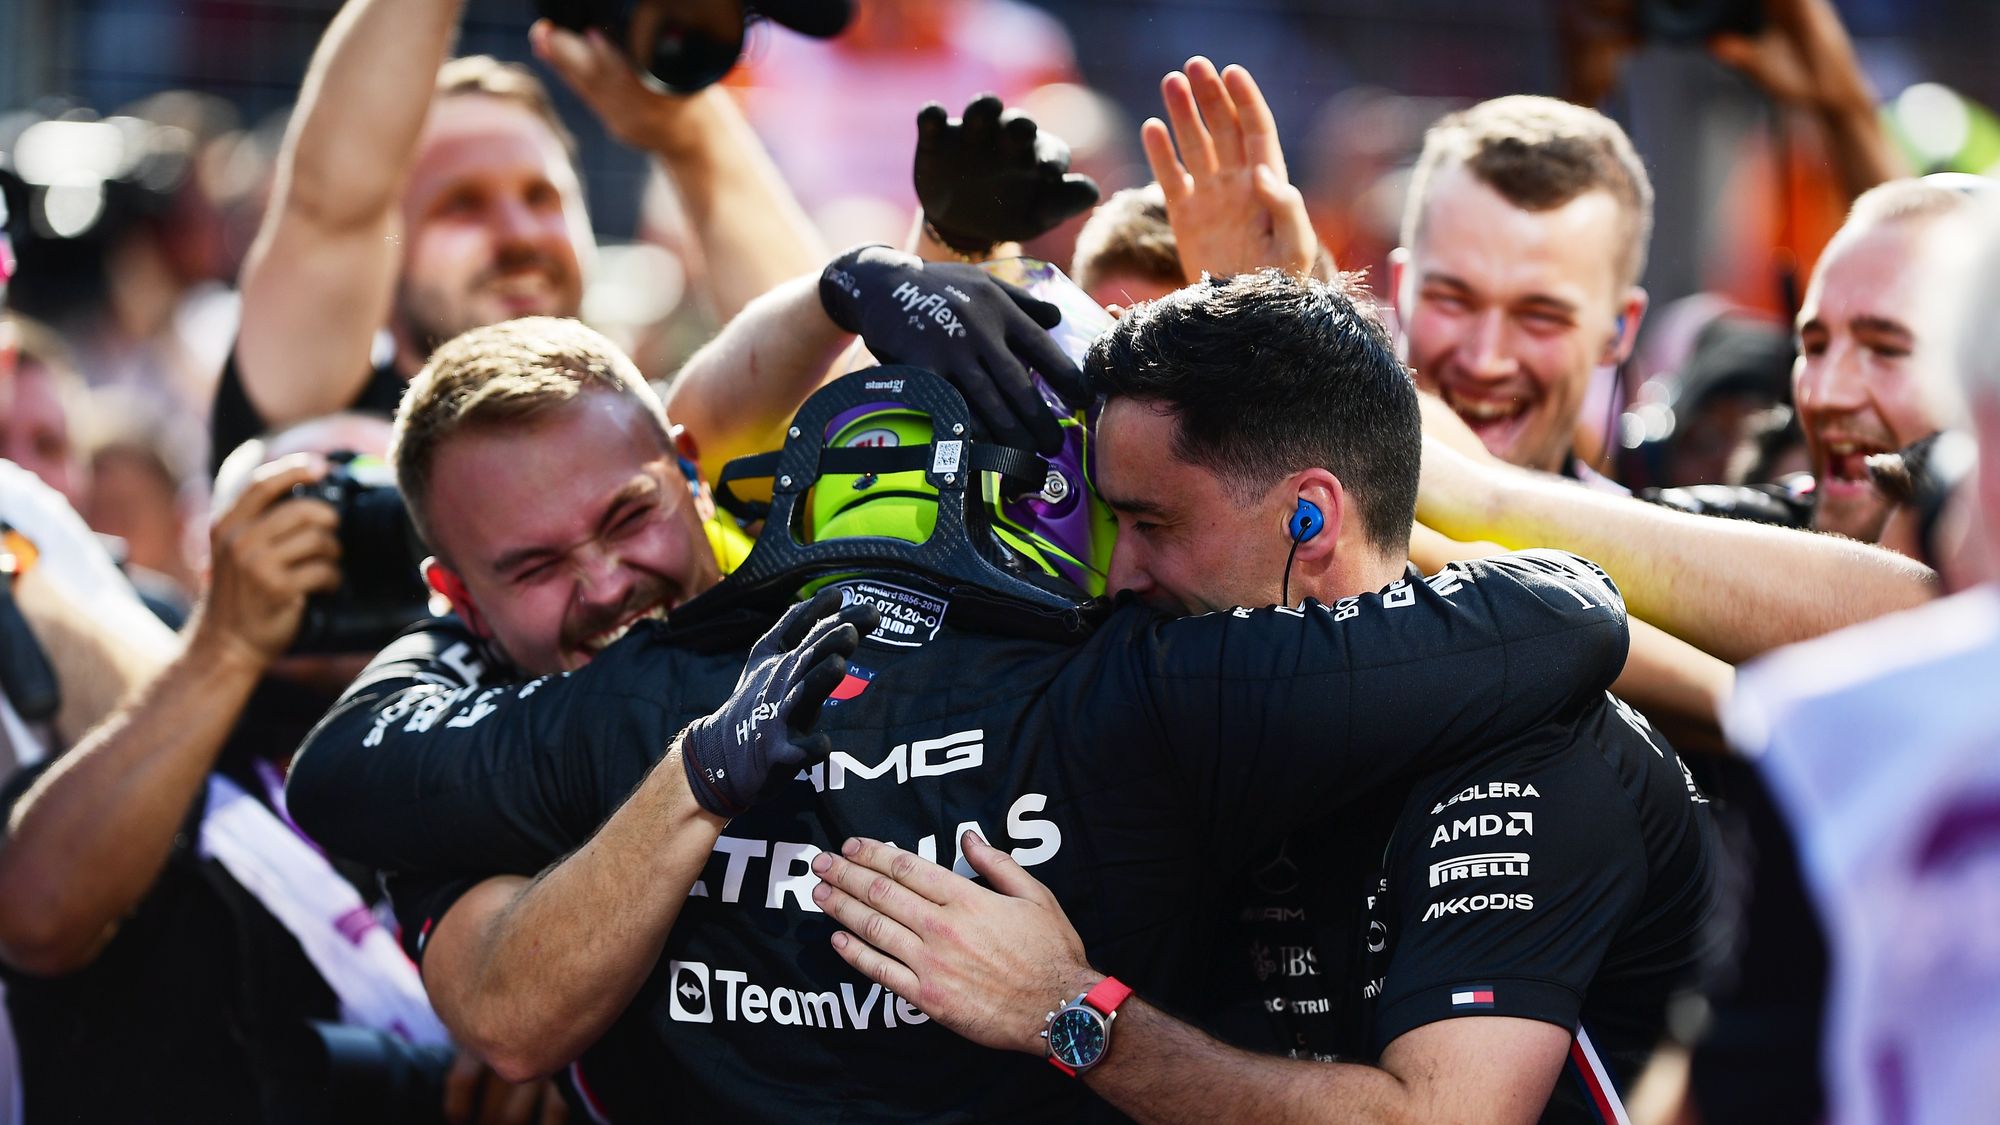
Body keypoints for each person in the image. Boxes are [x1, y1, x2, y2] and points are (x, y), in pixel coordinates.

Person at [286, 276, 1634, 1119]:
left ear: (702, 481)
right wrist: (696, 774)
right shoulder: (546, 719)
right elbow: (500, 997)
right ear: (452, 598)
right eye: (531, 566)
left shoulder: (1126, 679)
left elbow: (1560, 625)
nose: (603, 583)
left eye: (630, 516)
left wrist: (1069, 1006)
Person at [808, 269, 1719, 1123]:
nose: (1120, 574)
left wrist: (1067, 1011)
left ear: (1309, 517)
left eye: (1153, 523)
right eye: (1113, 523)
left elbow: (1441, 1116)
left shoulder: (1532, 750)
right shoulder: (1196, 722)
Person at [0, 416, 560, 1122]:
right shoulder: (141, 764)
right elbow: (35, 918)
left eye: (385, 516)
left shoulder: (510, 765)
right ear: (215, 563)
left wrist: (544, 1037)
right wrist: (227, 642)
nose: (345, 550)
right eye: (306, 516)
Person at [214, 0, 827, 473]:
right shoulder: (319, 420)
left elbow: (827, 376)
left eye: (543, 197)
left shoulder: (653, 437)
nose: (518, 234)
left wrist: (691, 136)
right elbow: (332, 206)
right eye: (462, 205)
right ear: (382, 245)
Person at [1718, 201, 2000, 1123]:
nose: (1830, 389)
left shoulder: (1830, 727)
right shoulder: (1818, 714)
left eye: (1885, 345)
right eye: (1815, 341)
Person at [1392, 94, 1651, 482]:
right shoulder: (1295, 525)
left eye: (1540, 317)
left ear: (1619, 330)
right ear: (1400, 289)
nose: (1484, 361)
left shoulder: (1650, 543)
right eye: (1452, 301)